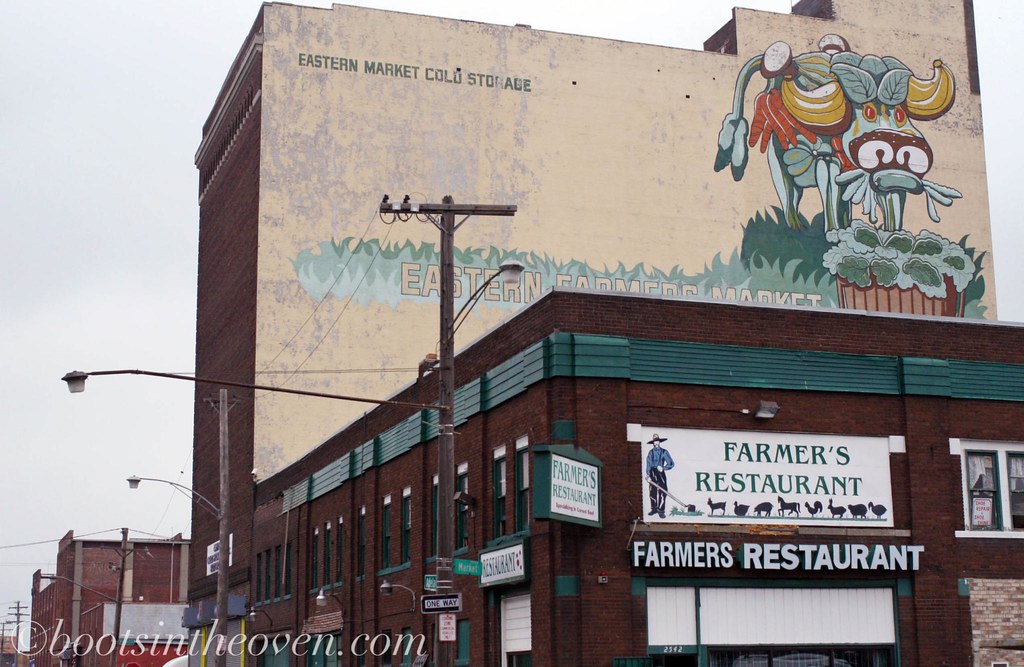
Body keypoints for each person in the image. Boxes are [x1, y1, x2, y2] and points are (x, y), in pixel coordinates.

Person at [646, 434, 674, 518]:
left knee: (663, 491)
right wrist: (648, 474)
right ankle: (654, 508)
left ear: (659, 442)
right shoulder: (651, 452)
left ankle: (661, 510)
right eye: (655, 441)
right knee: (652, 491)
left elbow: (671, 463)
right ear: (653, 443)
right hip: (652, 472)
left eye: (657, 441)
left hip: (660, 472)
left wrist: (663, 468)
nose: (656, 443)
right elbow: (648, 464)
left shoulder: (664, 452)